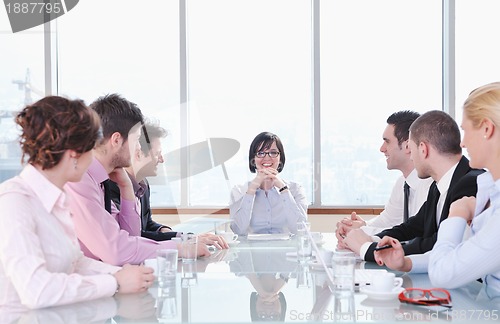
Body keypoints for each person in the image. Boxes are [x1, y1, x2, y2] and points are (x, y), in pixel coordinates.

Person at [0, 96, 153, 309]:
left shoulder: (57, 200)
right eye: (92, 150)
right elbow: (36, 290)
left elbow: (75, 263)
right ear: (74, 155)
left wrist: (121, 274)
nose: (94, 160)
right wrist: (115, 282)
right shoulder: (14, 202)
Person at [378, 82, 500, 295]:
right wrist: (406, 263)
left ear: (487, 129)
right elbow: (461, 255)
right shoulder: (489, 192)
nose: (462, 143)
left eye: (466, 131)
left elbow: (444, 272)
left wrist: (457, 215)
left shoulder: (477, 195)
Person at [65, 94, 214, 266]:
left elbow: (130, 239)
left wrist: (126, 188)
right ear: (116, 140)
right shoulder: (80, 180)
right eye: (136, 140)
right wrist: (180, 248)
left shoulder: (101, 181)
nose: (138, 148)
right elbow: (116, 251)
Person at [341, 110, 484, 271]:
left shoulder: (472, 183)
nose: (411, 157)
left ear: (423, 149)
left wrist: (368, 249)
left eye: (412, 148)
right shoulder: (439, 185)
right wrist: (370, 239)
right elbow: (412, 228)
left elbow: (439, 244)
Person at [108, 121, 227, 247]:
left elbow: (147, 224)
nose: (162, 159)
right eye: (157, 153)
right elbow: (133, 235)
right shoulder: (113, 186)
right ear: (139, 153)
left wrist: (168, 232)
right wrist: (184, 238)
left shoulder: (143, 185)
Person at [335, 110, 433, 239]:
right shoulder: (402, 183)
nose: (382, 148)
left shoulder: (430, 186)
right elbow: (389, 220)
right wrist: (362, 225)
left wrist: (362, 232)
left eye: (387, 141)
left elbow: (412, 233)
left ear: (407, 146)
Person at [229, 131, 308, 235]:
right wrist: (252, 189)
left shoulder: (296, 189)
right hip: (251, 250)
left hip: (287, 250)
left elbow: (301, 230)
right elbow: (238, 231)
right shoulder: (238, 190)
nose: (267, 158)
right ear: (253, 158)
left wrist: (283, 188)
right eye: (260, 153)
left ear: (280, 158)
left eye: (273, 152)